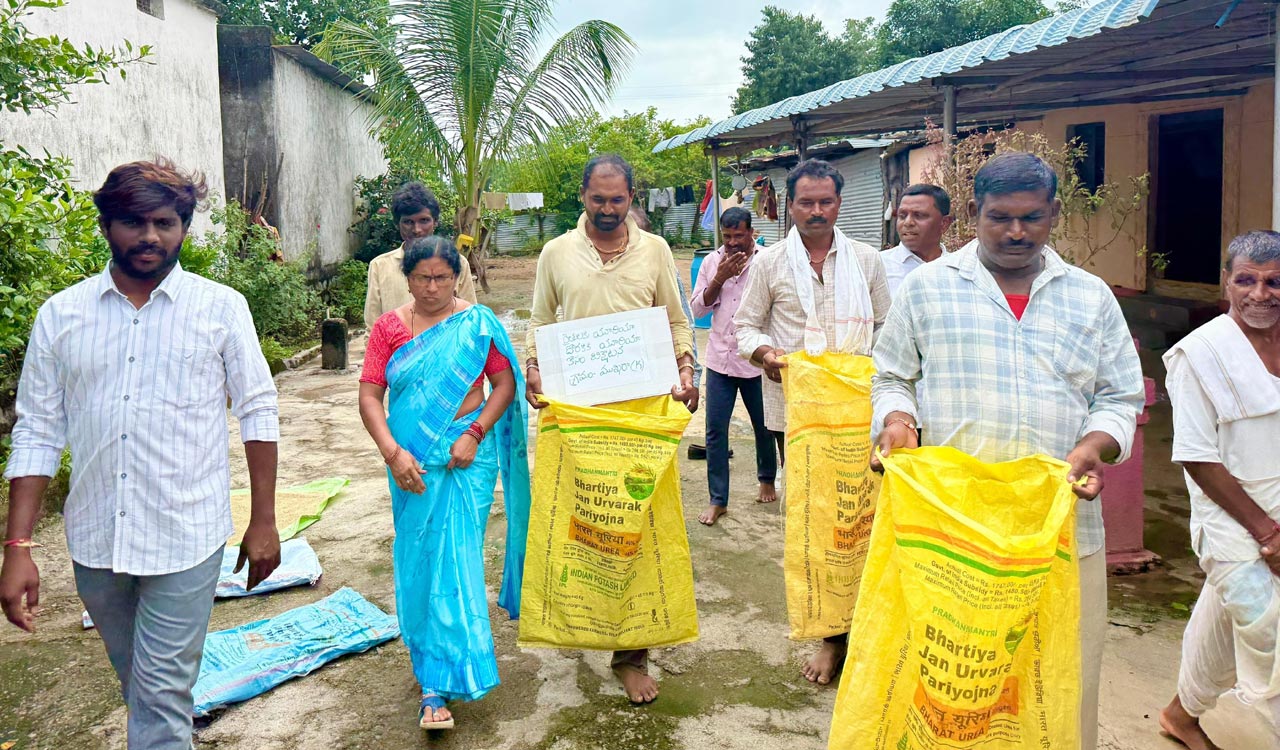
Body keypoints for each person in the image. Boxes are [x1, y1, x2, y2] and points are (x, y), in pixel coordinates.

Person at [0, 160, 282, 749]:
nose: (150, 236)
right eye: (133, 221)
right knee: (144, 688)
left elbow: (258, 410)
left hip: (186, 535)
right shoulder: (61, 316)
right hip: (96, 541)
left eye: (165, 222)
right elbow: (38, 432)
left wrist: (264, 520)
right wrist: (17, 547)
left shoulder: (221, 308)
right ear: (107, 225)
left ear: (183, 228)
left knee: (157, 699)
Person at [872, 152, 1145, 750]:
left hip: (1061, 530)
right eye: (1000, 217)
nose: (1017, 232)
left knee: (1061, 677)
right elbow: (892, 375)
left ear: (1054, 213)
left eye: (1032, 217)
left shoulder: (1090, 297)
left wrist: (1095, 445)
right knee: (954, 681)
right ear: (974, 212)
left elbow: (1120, 395)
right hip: (953, 532)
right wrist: (898, 421)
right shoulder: (927, 289)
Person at [525, 153, 698, 704]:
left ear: (631, 199)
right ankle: (584, 623)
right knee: (586, 528)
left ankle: (631, 655)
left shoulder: (655, 250)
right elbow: (540, 321)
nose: (606, 209)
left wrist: (686, 368)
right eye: (597, 199)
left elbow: (675, 319)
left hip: (641, 418)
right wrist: (534, 367)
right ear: (582, 196)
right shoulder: (556, 253)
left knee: (638, 531)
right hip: (579, 422)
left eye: (616, 199)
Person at [358, 236, 529, 730]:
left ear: (457, 277)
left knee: (457, 560)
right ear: (407, 279)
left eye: (442, 278)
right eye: (421, 278)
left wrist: (475, 433)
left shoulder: (477, 323)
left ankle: (441, 679)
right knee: (420, 559)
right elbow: (369, 397)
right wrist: (394, 454)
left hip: (465, 458)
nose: (432, 287)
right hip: (410, 460)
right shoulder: (390, 328)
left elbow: (504, 385)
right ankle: (430, 669)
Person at [733, 158, 892, 685]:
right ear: (791, 206)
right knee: (815, 521)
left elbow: (888, 328)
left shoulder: (866, 260)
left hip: (860, 412)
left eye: (826, 201)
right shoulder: (770, 263)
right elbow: (745, 327)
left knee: (861, 519)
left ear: (839, 204)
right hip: (797, 413)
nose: (817, 211)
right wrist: (766, 355)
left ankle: (861, 626)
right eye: (807, 202)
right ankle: (830, 635)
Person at [1159, 231, 1280, 750]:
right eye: (1247, 280)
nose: (1260, 294)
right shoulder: (1200, 354)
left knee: (1224, 620)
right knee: (1268, 627)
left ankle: (1180, 715)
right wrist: (1267, 533)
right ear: (1226, 281)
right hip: (1231, 519)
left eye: (1275, 282)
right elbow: (1197, 455)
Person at [691, 206, 779, 525]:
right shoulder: (712, 262)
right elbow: (698, 310)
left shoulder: (767, 261)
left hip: (756, 360)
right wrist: (720, 277)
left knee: (765, 425)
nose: (731, 243)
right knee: (715, 430)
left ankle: (766, 478)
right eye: (726, 236)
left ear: (751, 233)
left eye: (738, 236)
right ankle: (718, 500)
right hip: (720, 358)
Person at [364, 181, 477, 328]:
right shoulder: (380, 266)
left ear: (435, 222)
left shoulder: (457, 263)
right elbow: (373, 328)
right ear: (397, 224)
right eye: (408, 222)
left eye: (424, 220)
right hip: (395, 343)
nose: (417, 230)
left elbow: (471, 320)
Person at [882, 183, 953, 299]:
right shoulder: (879, 266)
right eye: (902, 215)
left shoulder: (958, 269)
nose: (908, 222)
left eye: (919, 215)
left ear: (944, 223)